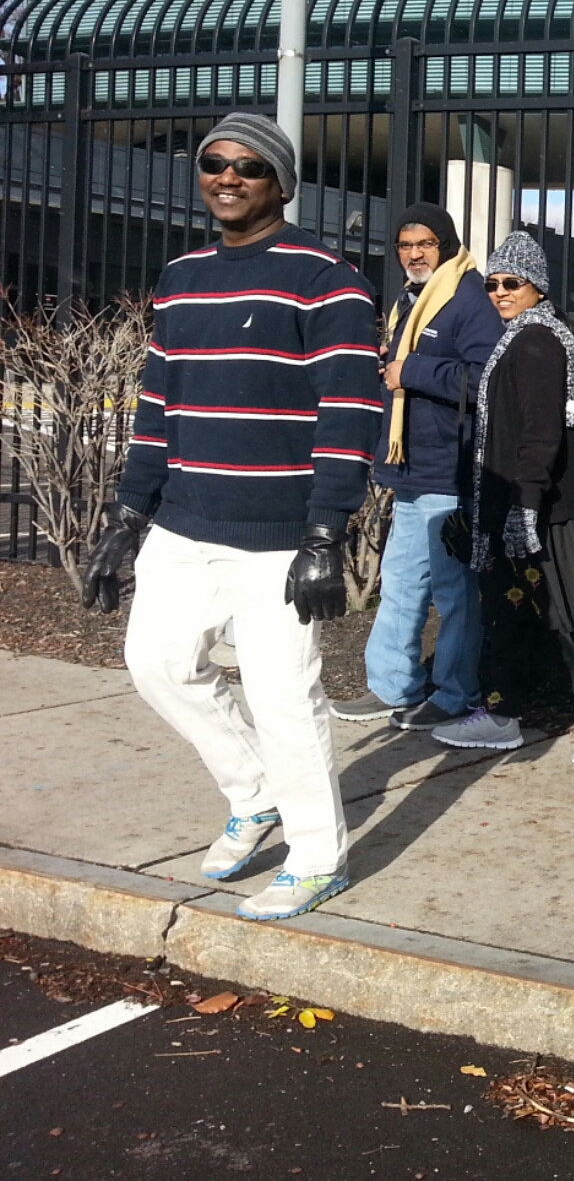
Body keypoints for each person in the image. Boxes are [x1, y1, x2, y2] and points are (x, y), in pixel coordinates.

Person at [79, 112, 382, 921]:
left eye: (249, 167)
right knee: (157, 664)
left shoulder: (326, 279)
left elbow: (350, 411)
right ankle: (254, 793)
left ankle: (317, 858)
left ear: (281, 184)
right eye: (215, 162)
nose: (228, 177)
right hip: (184, 522)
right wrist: (128, 516)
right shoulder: (181, 277)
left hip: (279, 534)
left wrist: (325, 531)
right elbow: (157, 410)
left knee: (284, 697)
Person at [432, 232, 574, 765]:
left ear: (537, 287)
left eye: (512, 283)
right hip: (513, 500)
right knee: (508, 610)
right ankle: (502, 714)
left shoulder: (539, 341)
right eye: (492, 283)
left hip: (542, 506)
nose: (500, 292)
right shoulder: (517, 338)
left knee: (568, 612)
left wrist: (524, 505)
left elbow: (541, 432)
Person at [335, 204, 501, 731]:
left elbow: (487, 377)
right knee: (402, 582)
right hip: (413, 468)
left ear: (445, 244)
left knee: (453, 591)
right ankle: (393, 686)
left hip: (447, 469)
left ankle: (454, 695)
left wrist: (414, 370)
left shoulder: (467, 298)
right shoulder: (415, 300)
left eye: (425, 244)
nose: (414, 254)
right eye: (405, 246)